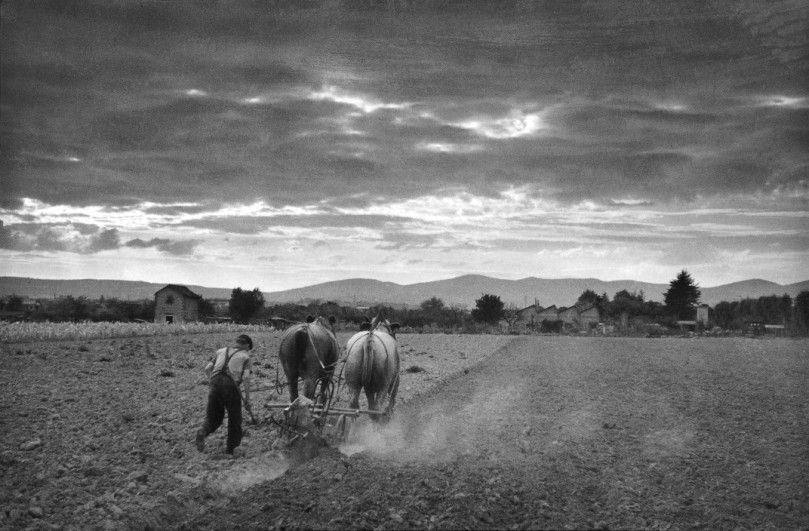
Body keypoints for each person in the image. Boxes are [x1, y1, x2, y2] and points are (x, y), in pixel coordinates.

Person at [195, 334, 254, 455]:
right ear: (246, 345)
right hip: (231, 386)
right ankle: (232, 449)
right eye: (248, 348)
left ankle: (203, 430)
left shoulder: (220, 351)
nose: (248, 351)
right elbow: (246, 378)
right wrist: (247, 400)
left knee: (213, 417)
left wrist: (213, 382)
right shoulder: (245, 357)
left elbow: (207, 368)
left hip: (214, 382)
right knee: (235, 419)